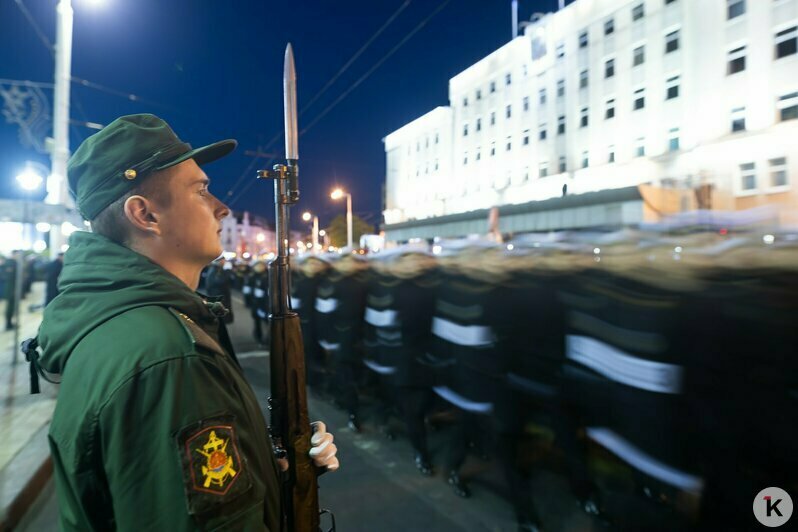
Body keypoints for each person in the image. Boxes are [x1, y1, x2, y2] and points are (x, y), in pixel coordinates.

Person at [32, 114, 339, 531]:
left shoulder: (117, 320)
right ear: (145, 214)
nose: (222, 207)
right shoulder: (169, 357)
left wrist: (268, 469)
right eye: (201, 190)